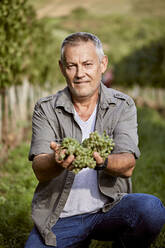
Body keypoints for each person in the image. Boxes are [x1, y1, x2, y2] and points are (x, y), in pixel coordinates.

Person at [25, 32, 165, 248]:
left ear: (103, 64)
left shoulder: (122, 105)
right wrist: (56, 161)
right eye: (71, 66)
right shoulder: (46, 108)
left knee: (151, 209)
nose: (80, 73)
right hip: (61, 218)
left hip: (108, 211)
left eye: (87, 64)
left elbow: (128, 164)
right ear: (62, 68)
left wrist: (102, 161)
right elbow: (39, 169)